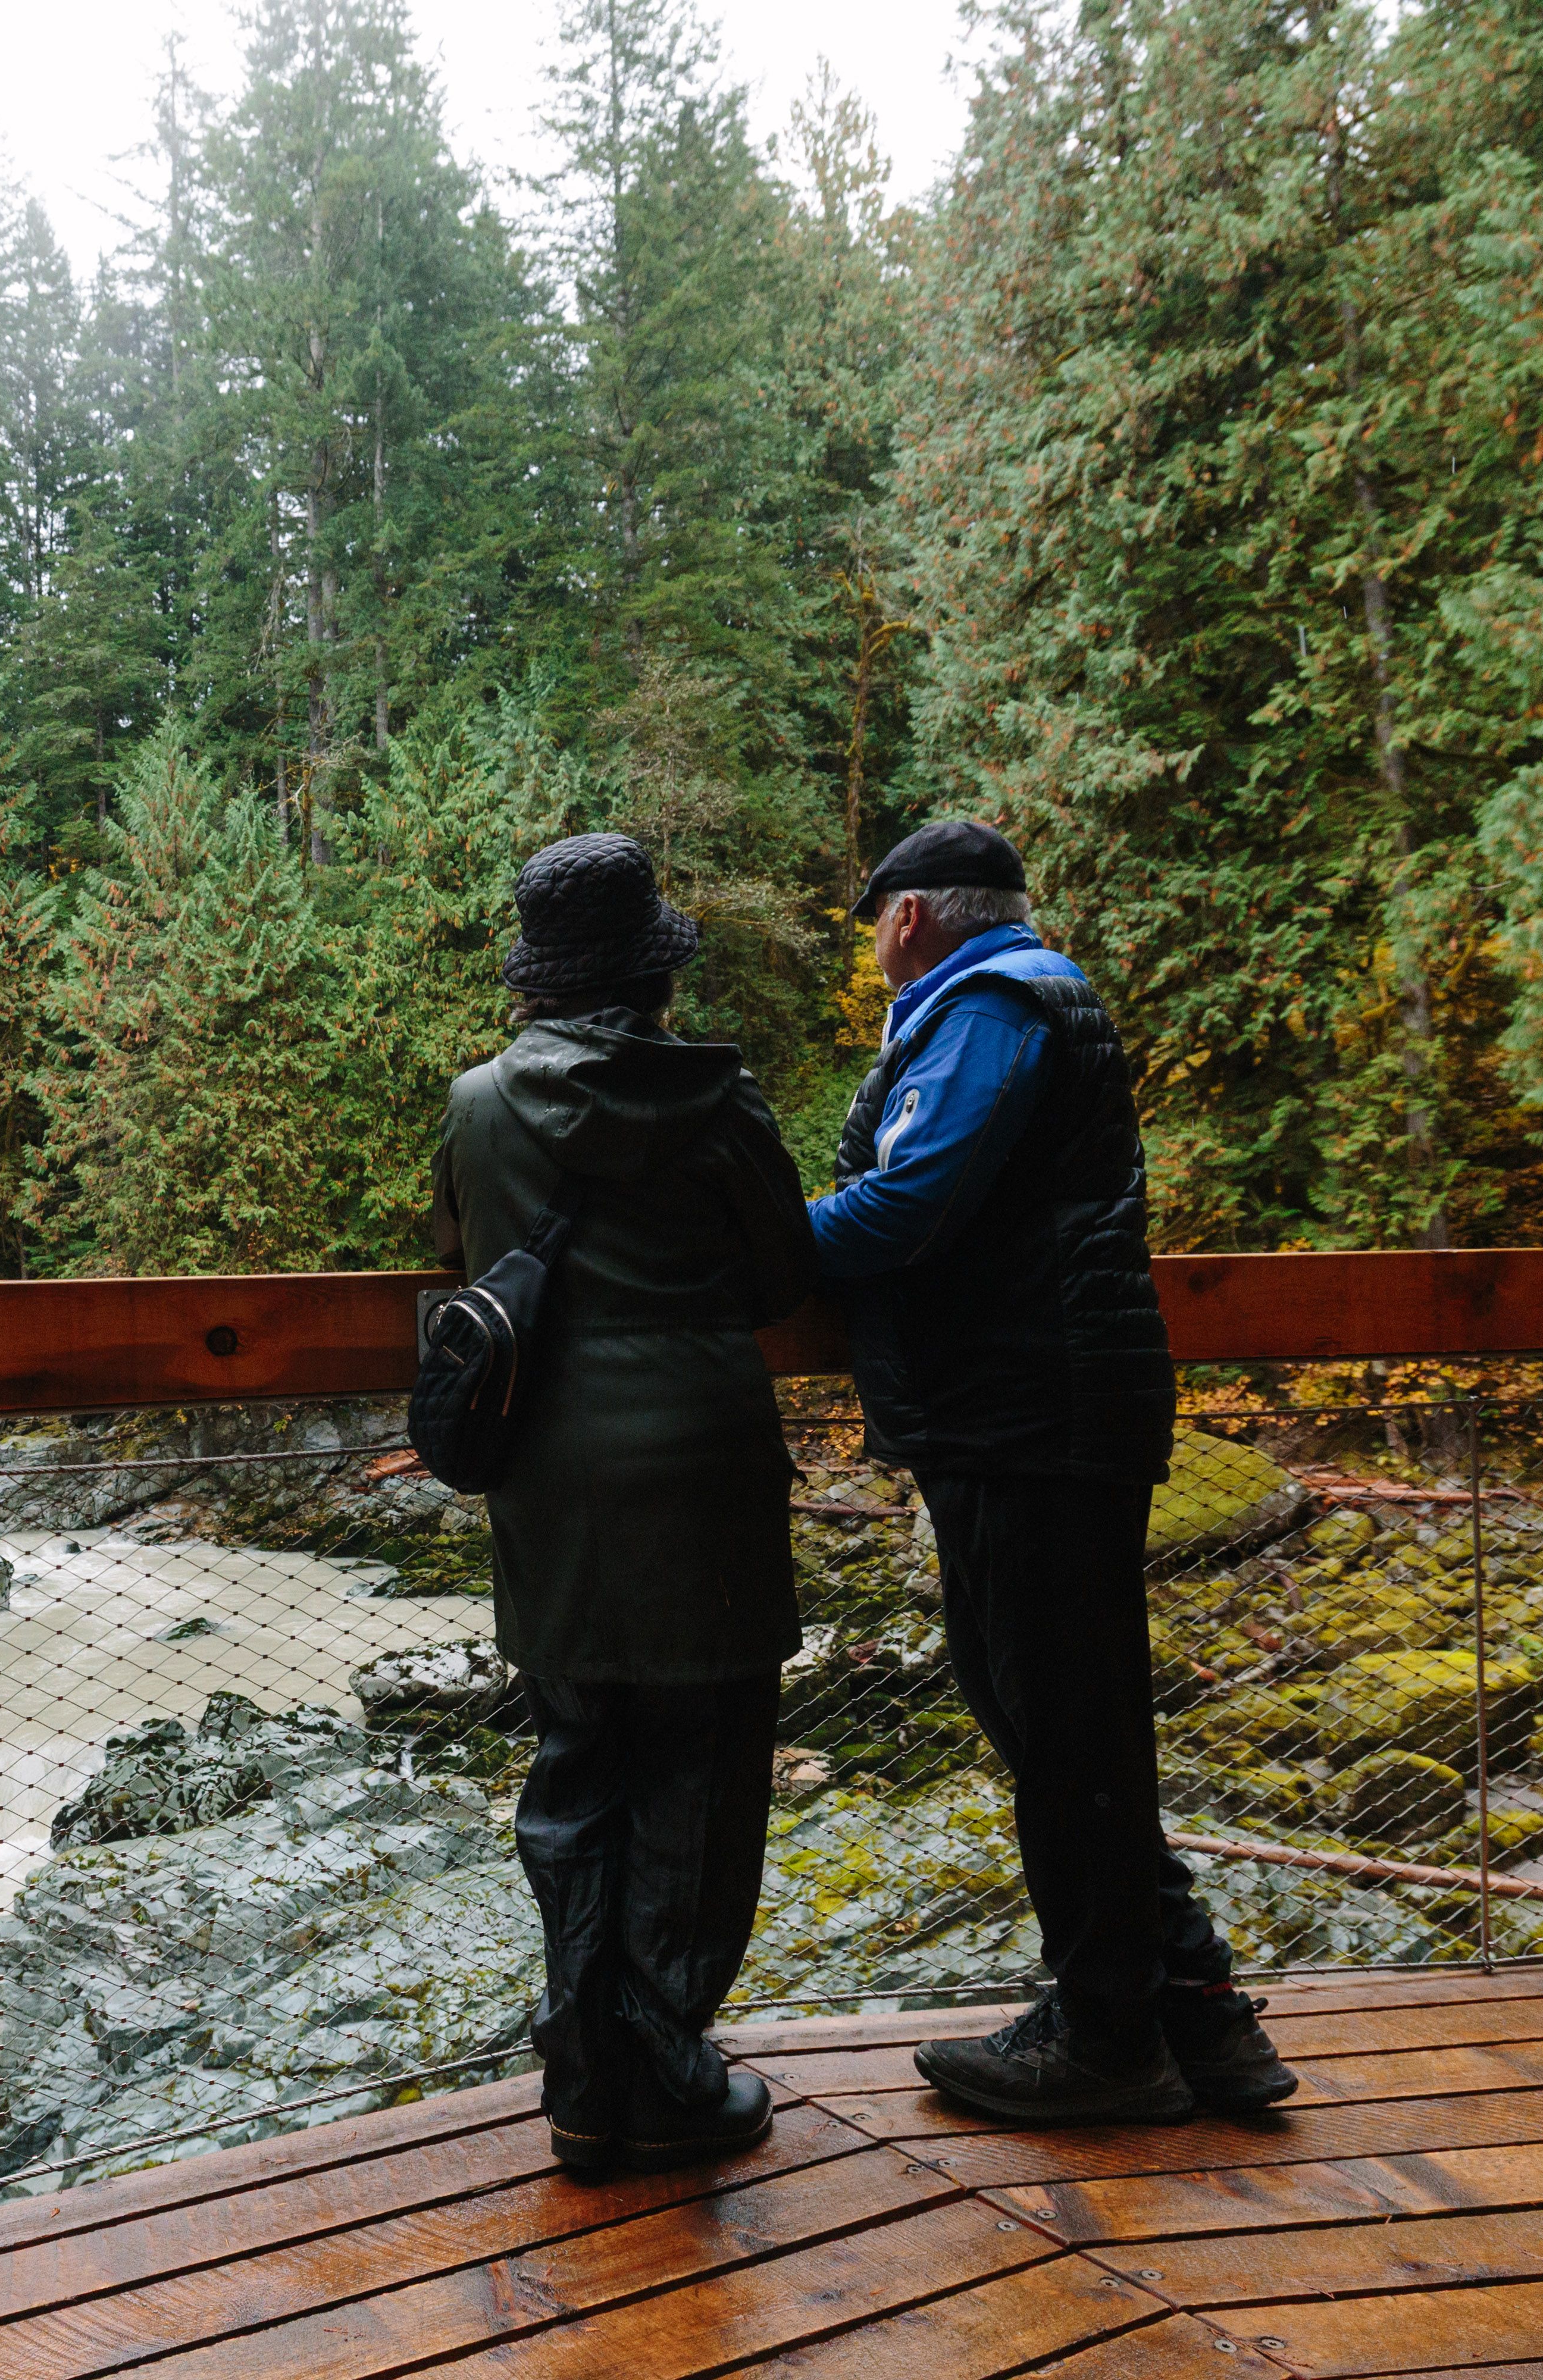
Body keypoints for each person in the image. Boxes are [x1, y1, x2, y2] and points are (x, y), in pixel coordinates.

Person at [808, 819, 1297, 2122]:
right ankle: (1192, 2006)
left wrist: (753, 1244)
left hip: (1032, 1410)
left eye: (875, 921)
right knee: (1055, 1719)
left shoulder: (989, 1010)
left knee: (1063, 1727)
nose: (874, 943)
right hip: (1032, 1404)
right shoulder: (1025, 996)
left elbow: (908, 1204)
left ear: (909, 915)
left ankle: (1106, 2043)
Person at [429, 832, 817, 2176]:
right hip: (704, 1474)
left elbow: (462, 1257)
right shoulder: (722, 1100)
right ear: (653, 973)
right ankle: (664, 2065)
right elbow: (785, 1277)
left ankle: (586, 2075)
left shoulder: (478, 1105)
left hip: (551, 1482)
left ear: (540, 976)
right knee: (701, 1784)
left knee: (576, 1771)